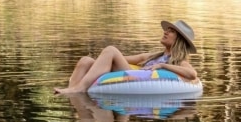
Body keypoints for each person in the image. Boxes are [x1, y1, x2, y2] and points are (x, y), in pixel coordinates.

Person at [54, 19, 198, 95]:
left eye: (171, 31)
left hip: (136, 77)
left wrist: (163, 65)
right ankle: (72, 93)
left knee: (111, 49)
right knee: (86, 60)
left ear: (179, 40)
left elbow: (192, 74)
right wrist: (104, 59)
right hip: (129, 71)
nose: (165, 32)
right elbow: (122, 58)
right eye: (167, 29)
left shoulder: (179, 61)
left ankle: (79, 88)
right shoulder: (153, 55)